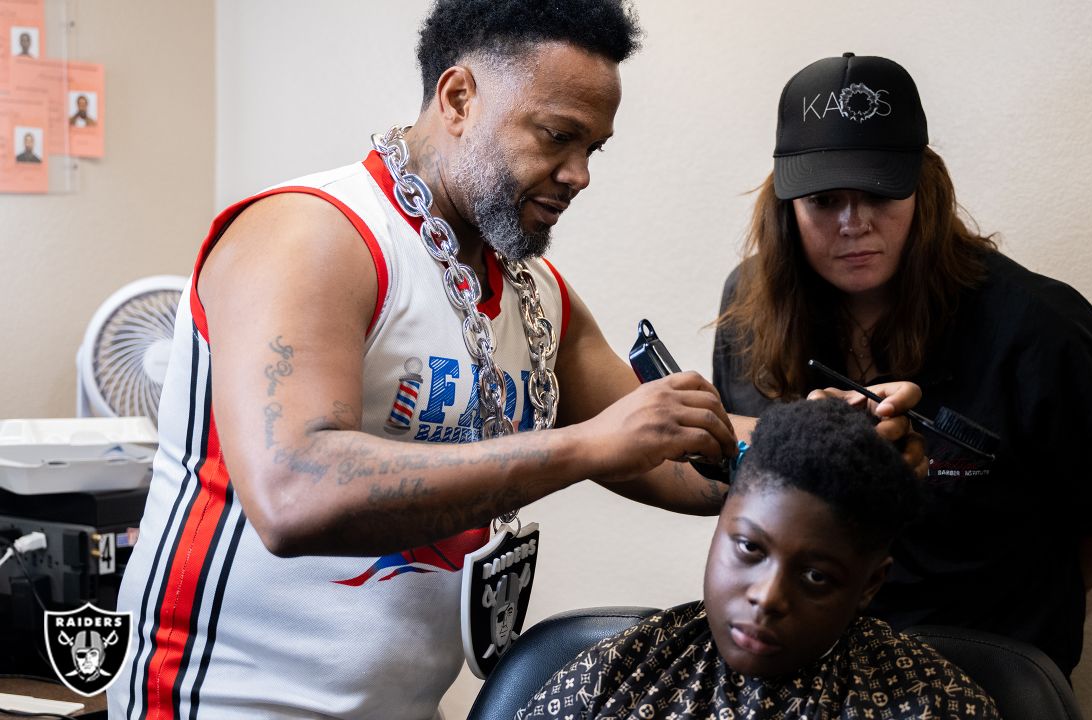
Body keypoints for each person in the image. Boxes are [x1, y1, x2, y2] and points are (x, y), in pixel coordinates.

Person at [108, 7, 923, 720]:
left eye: (594, 147)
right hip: (224, 702)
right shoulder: (312, 238)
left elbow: (679, 450)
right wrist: (585, 447)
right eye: (557, 136)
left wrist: (832, 445)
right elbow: (291, 492)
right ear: (459, 98)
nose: (580, 176)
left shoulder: (534, 295)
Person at [712, 53, 1092, 677]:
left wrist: (1011, 650)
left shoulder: (1039, 329)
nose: (853, 223)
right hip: (808, 668)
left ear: (924, 188)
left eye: (879, 192)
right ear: (786, 204)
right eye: (824, 199)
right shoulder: (751, 308)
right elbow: (744, 489)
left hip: (974, 675)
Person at [520, 399, 1001, 720]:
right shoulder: (617, 674)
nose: (768, 598)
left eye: (815, 576)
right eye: (750, 548)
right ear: (720, 524)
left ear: (870, 585)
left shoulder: (934, 704)